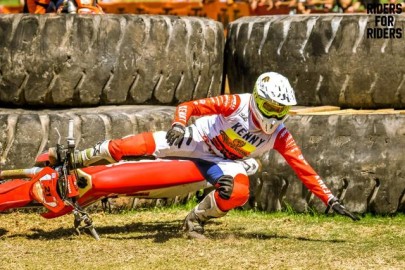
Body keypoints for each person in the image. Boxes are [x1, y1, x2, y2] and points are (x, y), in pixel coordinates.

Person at [50, 72, 359, 239]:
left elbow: (303, 168)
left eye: (282, 110)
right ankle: (80, 158)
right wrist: (179, 123)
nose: (277, 115)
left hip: (224, 162)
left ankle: (195, 220)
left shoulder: (280, 134)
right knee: (129, 147)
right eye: (273, 108)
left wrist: (329, 199)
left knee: (237, 193)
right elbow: (190, 105)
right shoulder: (237, 102)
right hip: (195, 140)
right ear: (258, 100)